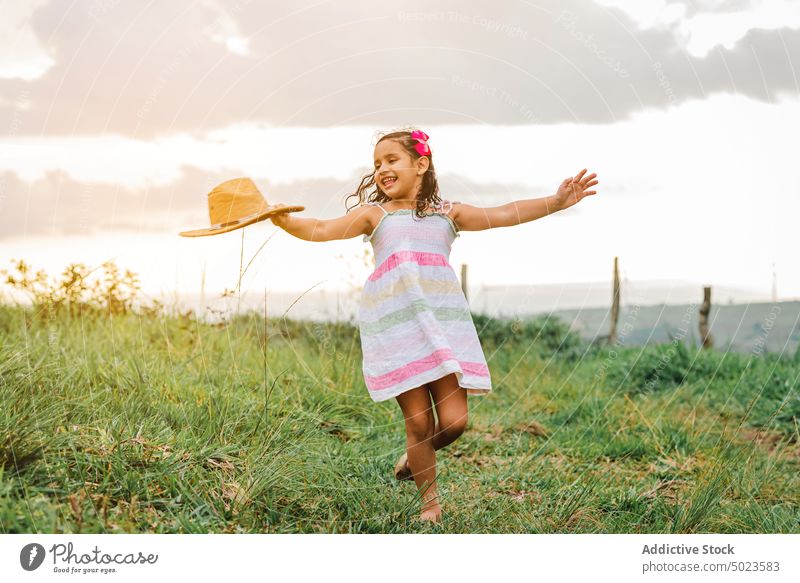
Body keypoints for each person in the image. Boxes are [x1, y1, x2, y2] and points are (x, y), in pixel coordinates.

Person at [270, 128, 598, 523]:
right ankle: (430, 505)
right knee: (420, 422)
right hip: (398, 332)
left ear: (420, 164)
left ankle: (413, 457)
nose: (382, 170)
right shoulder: (375, 216)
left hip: (444, 332)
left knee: (456, 422)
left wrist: (557, 202)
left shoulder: (448, 213)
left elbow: (504, 214)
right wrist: (282, 220)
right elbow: (321, 230)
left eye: (391, 160)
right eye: (377, 164)